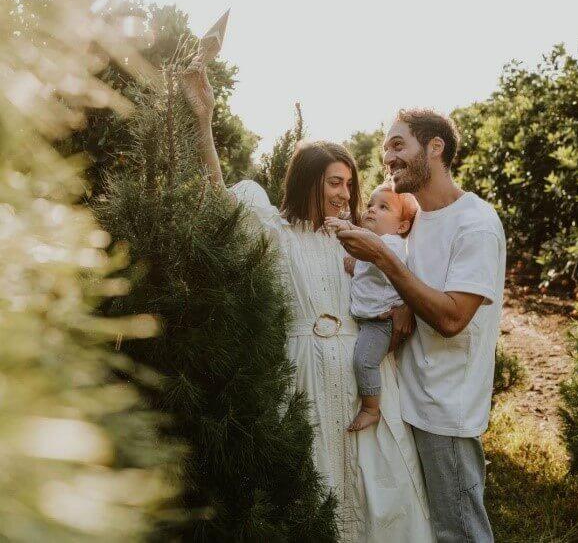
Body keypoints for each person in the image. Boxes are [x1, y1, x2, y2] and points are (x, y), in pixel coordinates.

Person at [181, 62, 435, 542]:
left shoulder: (359, 237)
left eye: (348, 183)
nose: (344, 193)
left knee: (378, 483)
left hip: (364, 367)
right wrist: (202, 121)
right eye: (333, 182)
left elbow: (409, 262)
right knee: (310, 478)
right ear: (307, 181)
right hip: (301, 365)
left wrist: (403, 304)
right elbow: (218, 198)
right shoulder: (274, 231)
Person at [336, 109, 506, 543]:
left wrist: (384, 261)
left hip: (444, 410)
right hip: (405, 396)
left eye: (398, 145)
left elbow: (451, 318)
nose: (386, 157)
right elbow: (410, 290)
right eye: (385, 147)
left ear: (435, 148)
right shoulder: (415, 222)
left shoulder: (476, 224)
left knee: (459, 532)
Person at [325, 184, 418, 432]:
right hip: (368, 318)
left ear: (401, 226)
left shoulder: (393, 244)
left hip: (381, 322)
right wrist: (355, 265)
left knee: (364, 361)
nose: (372, 210)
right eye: (370, 205)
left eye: (383, 207)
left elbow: (378, 254)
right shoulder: (377, 246)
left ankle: (371, 409)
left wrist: (347, 227)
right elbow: (372, 273)